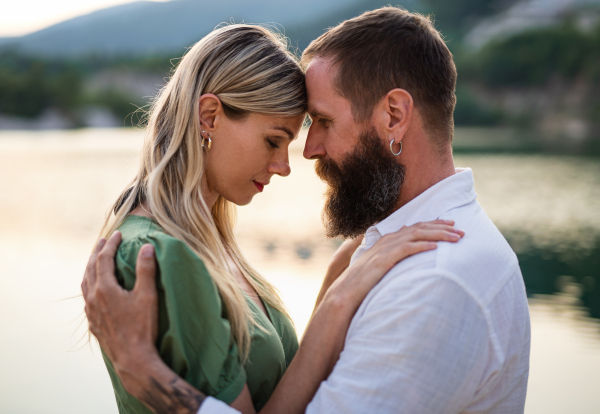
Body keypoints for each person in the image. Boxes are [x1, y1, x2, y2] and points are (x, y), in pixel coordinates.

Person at [83, 7, 531, 414]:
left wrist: (150, 375)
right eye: (274, 139)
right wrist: (340, 292)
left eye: (323, 123)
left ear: (394, 116)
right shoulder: (161, 257)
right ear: (210, 117)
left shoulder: (435, 279)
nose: (297, 159)